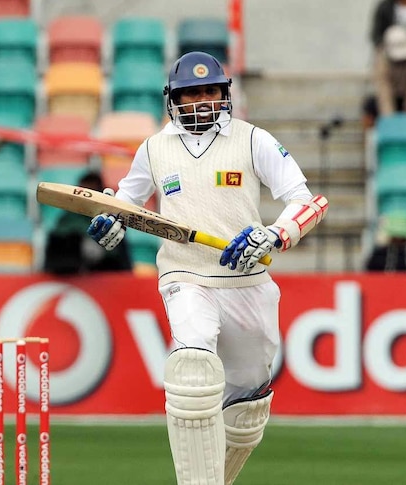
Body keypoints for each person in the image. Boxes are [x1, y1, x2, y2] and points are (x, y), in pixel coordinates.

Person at [87, 51, 329, 485]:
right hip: (184, 276)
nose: (202, 100)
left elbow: (307, 200)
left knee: (248, 401)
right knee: (192, 368)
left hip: (247, 281)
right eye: (191, 92)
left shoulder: (251, 139)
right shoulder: (154, 148)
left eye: (211, 91)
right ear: (173, 99)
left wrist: (273, 234)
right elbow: (125, 203)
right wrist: (111, 222)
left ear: (224, 95)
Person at [43, 171, 133, 275]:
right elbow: (56, 244)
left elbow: (122, 258)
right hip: (72, 275)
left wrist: (102, 250)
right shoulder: (69, 216)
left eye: (92, 192)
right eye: (84, 192)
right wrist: (79, 244)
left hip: (104, 275)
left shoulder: (112, 217)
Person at [363, 24, 406, 127]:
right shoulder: (381, 56)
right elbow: (383, 87)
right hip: (392, 96)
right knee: (369, 105)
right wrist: (390, 118)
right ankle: (373, 138)